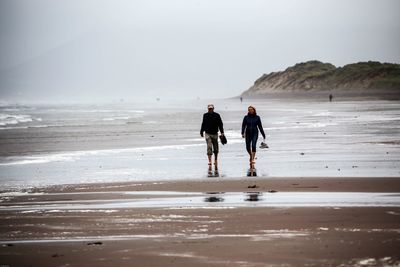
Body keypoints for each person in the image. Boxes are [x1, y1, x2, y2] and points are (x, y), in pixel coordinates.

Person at [200, 104, 224, 169]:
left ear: (213, 108)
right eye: (209, 108)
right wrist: (201, 131)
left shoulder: (217, 115)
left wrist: (222, 132)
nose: (210, 109)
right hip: (207, 133)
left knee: (216, 148)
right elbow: (203, 123)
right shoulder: (205, 115)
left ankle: (215, 159)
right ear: (207, 109)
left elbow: (220, 124)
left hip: (215, 133)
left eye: (211, 108)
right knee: (209, 146)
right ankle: (210, 161)